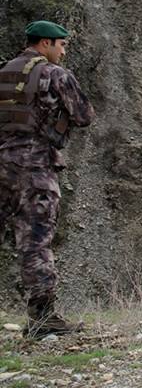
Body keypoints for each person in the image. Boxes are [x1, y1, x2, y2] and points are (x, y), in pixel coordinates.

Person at [0, 20, 95, 338]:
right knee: (35, 243)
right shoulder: (55, 75)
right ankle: (43, 319)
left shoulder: (3, 72)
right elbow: (84, 115)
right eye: (61, 45)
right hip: (36, 169)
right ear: (44, 44)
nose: (64, 51)